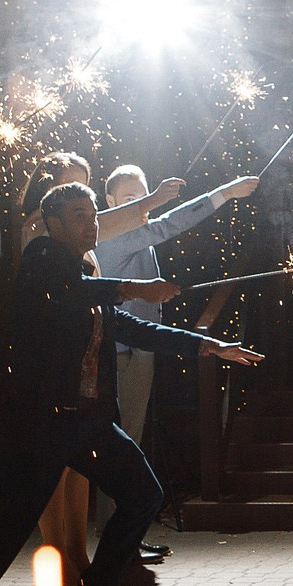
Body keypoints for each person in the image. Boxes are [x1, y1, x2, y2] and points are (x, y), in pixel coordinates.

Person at [0, 182, 260, 586]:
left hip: (87, 420)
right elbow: (69, 291)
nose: (91, 225)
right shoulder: (41, 259)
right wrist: (134, 288)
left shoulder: (86, 271)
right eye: (80, 217)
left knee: (143, 494)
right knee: (17, 517)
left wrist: (205, 344)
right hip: (39, 421)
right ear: (53, 223)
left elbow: (129, 327)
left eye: (92, 216)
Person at [15, 154, 186, 586]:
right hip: (49, 390)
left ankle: (78, 554)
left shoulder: (83, 245)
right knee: (47, 484)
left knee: (80, 477)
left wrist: (196, 342)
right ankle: (57, 560)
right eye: (75, 192)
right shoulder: (38, 238)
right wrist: (154, 201)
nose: (90, 210)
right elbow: (71, 291)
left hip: (84, 387)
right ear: (51, 199)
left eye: (88, 191)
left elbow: (109, 317)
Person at [90, 164, 260, 543]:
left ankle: (120, 533)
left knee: (128, 440)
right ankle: (115, 535)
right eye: (130, 200)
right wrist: (225, 193)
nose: (139, 207)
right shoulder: (111, 236)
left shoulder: (136, 235)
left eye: (143, 196)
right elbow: (169, 224)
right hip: (121, 351)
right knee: (122, 441)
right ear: (110, 202)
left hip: (137, 348)